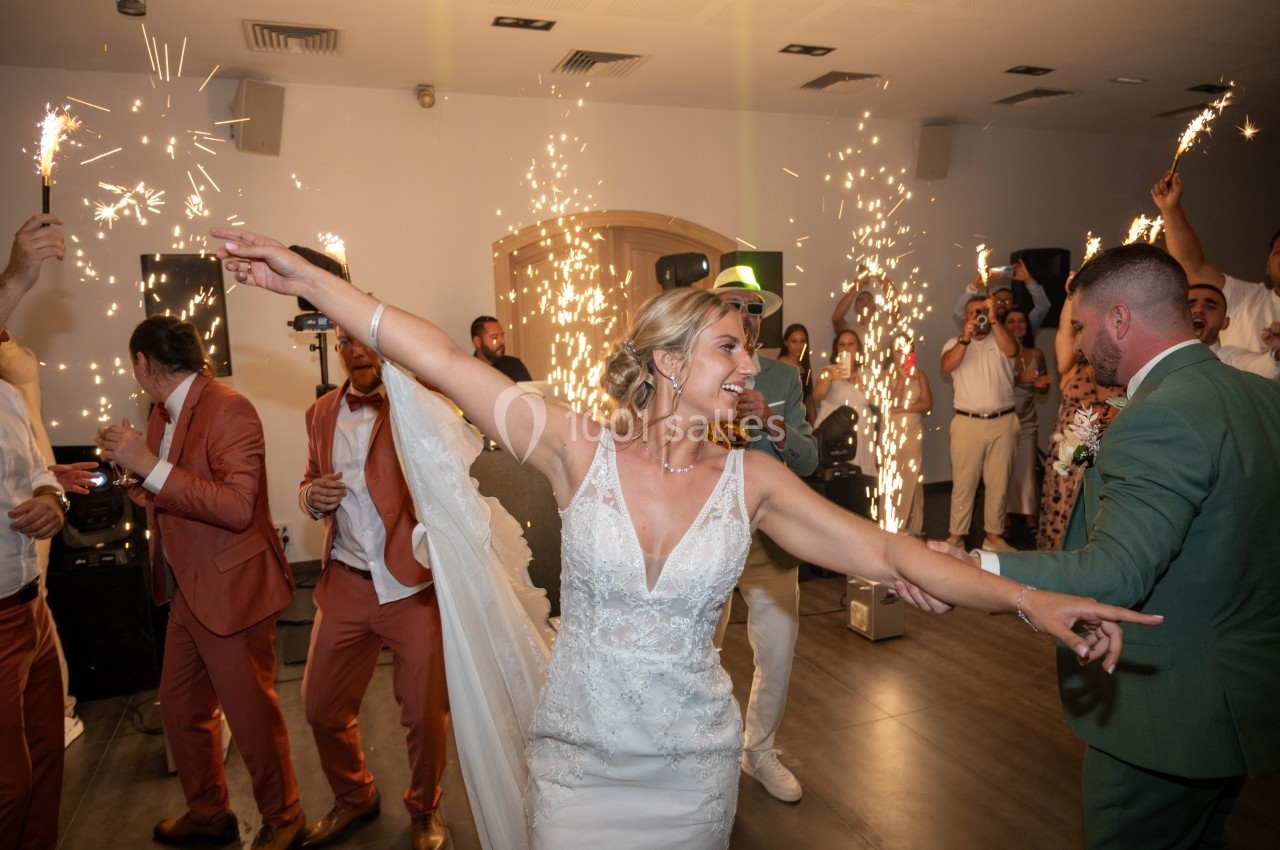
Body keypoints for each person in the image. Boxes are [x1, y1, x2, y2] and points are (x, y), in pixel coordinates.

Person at [212, 226, 1161, 849]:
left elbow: (884, 552)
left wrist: (1031, 598)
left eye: (749, 347)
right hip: (579, 765)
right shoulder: (576, 450)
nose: (752, 363)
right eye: (730, 348)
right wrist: (316, 283)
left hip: (692, 775)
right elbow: (442, 361)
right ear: (668, 363)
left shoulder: (754, 481)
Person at [919, 243, 1280, 849]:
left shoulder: (1159, 414)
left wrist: (974, 563)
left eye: (1082, 327)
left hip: (1168, 714)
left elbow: (1114, 572)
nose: (1079, 345)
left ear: (1120, 319)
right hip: (1244, 700)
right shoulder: (1264, 399)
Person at [97, 316, 303, 850]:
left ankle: (286, 818)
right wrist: (130, 471)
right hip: (186, 585)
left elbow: (237, 507)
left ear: (143, 362)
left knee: (249, 714)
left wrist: (147, 463)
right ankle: (209, 814)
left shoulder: (228, 408)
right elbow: (171, 490)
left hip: (231, 588)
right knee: (181, 704)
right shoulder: (160, 414)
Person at [294, 325, 449, 850]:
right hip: (346, 580)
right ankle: (354, 795)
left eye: (365, 340)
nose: (356, 351)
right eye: (345, 344)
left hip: (410, 584)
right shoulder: (320, 414)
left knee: (424, 712)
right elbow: (308, 479)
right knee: (319, 705)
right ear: (336, 351)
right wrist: (311, 496)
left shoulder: (416, 405)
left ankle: (425, 807)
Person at [707, 266, 817, 804]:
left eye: (755, 307)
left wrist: (771, 424)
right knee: (699, 651)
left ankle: (760, 751)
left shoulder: (783, 378)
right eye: (734, 304)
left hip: (770, 536)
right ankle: (700, 752)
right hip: (703, 534)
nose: (747, 315)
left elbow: (810, 458)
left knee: (777, 652)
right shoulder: (693, 367)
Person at [0, 213, 70, 850]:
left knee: (49, 759)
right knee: (7, 787)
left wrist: (53, 497)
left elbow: (38, 468)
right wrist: (18, 276)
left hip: (31, 607)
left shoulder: (8, 392)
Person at [0, 325, 84, 747]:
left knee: (39, 607)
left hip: (27, 532)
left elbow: (26, 467)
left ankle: (59, 713)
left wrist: (52, 492)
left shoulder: (13, 374)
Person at [1151, 171, 1280, 356]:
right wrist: (1170, 209)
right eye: (1279, 251)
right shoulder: (1246, 298)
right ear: (1267, 267)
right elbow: (1192, 267)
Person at [1036, 285, 1123, 551]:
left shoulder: (1125, 369)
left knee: (1089, 521)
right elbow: (1064, 332)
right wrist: (1072, 294)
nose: (1079, 336)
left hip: (1100, 457)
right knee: (1058, 518)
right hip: (1065, 458)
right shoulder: (1073, 367)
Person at [940, 294, 1019, 552]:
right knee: (964, 483)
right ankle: (956, 536)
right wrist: (965, 337)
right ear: (966, 317)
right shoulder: (954, 342)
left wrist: (996, 322)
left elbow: (1012, 351)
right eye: (974, 312)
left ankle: (993, 538)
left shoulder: (1003, 338)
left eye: (984, 311)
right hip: (967, 422)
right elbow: (947, 365)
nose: (980, 317)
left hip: (1003, 420)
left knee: (999, 482)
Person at [1002, 308, 1052, 532]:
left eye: (1020, 320)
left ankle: (1029, 514)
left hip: (1028, 418)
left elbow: (1043, 387)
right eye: (1011, 321)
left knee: (1027, 467)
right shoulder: (1000, 354)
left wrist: (1042, 385)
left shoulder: (1037, 354)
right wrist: (1018, 379)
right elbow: (995, 384)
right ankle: (1004, 515)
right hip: (1003, 416)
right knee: (1004, 468)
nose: (1016, 325)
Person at [813, 330, 877, 481]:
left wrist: (858, 383)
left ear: (858, 348)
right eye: (842, 345)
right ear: (837, 349)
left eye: (851, 344)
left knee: (862, 481)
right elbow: (817, 396)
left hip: (862, 434)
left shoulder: (867, 372)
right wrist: (830, 377)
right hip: (836, 434)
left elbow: (877, 402)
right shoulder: (827, 370)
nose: (846, 349)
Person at [884, 346, 932, 535]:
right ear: (892, 353)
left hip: (913, 430)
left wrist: (907, 408)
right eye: (898, 350)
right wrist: (902, 381)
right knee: (893, 475)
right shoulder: (885, 376)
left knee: (912, 475)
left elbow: (928, 404)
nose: (902, 354)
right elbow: (890, 404)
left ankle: (912, 524)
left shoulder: (920, 376)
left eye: (907, 350)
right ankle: (892, 523)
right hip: (892, 432)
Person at [1187, 283, 1280, 378]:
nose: (1198, 310)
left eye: (1210, 307)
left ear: (1224, 323)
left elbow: (1259, 368)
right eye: (1189, 305)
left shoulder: (1229, 359)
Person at [950, 262, 1052, 335]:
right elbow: (958, 313)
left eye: (1008, 301)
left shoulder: (1022, 325)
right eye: (998, 301)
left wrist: (1029, 281)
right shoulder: (981, 324)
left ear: (1015, 305)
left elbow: (1043, 306)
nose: (1002, 304)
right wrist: (974, 286)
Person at [471, 315, 533, 382]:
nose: (502, 341)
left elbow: (529, 391)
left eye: (502, 336)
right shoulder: (467, 371)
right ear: (478, 342)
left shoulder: (514, 366)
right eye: (495, 337)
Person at [777, 322, 815, 424]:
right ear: (786, 343)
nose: (798, 346)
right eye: (794, 341)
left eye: (802, 341)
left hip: (802, 420)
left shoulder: (804, 366)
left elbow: (808, 398)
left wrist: (815, 425)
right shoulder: (779, 365)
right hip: (785, 420)